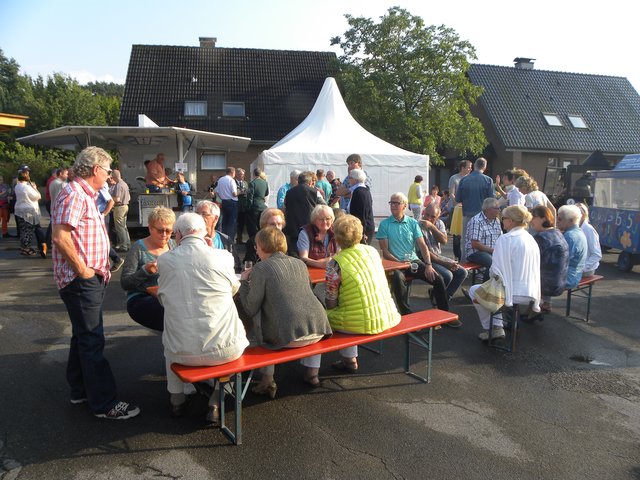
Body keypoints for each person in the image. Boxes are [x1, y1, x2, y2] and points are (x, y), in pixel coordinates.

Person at [52, 146, 140, 419]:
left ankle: (80, 390)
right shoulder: (74, 193)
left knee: (82, 335)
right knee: (92, 338)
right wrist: (82, 270)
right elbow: (60, 237)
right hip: (81, 280)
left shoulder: (85, 194)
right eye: (107, 170)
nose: (110, 176)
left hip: (89, 277)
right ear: (95, 169)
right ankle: (104, 403)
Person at [158, 213, 248, 421]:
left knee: (171, 336)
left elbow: (163, 299)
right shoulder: (222, 256)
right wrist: (212, 249)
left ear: (178, 235)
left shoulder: (165, 260)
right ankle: (216, 399)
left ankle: (177, 400)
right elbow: (234, 289)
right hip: (225, 350)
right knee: (235, 337)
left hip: (180, 352)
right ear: (205, 232)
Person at [238, 227, 332, 394]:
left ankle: (267, 379)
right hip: (319, 330)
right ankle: (310, 373)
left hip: (291, 337)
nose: (256, 250)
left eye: (257, 246)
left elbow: (250, 308)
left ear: (263, 246)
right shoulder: (299, 263)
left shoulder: (261, 268)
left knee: (261, 314)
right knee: (284, 310)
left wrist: (244, 282)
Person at [326, 214, 401, 372]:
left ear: (337, 237)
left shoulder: (335, 263)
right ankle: (349, 360)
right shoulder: (372, 251)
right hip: (386, 316)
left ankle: (312, 370)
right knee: (351, 308)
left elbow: (331, 302)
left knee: (324, 314)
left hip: (358, 323)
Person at [468, 205, 541, 341]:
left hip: (512, 293)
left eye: (504, 218)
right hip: (531, 293)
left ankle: (494, 328)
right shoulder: (531, 239)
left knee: (474, 291)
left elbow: (495, 270)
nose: (502, 221)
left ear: (511, 221)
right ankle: (498, 327)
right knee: (490, 289)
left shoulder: (506, 239)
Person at [376, 192, 450, 314]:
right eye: (391, 202)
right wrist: (399, 263)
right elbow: (385, 252)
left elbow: (423, 245)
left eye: (396, 203)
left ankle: (444, 314)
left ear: (404, 206)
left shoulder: (412, 223)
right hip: (395, 264)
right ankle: (407, 315)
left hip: (413, 262)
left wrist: (428, 265)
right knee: (398, 278)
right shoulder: (384, 224)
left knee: (438, 279)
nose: (393, 205)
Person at [121, 206, 176, 332]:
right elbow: (125, 283)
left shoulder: (174, 245)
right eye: (160, 230)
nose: (164, 235)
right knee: (173, 312)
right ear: (150, 228)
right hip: (142, 298)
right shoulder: (138, 248)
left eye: (169, 231)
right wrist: (145, 271)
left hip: (168, 295)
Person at [419, 203, 468, 306]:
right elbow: (425, 251)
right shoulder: (417, 225)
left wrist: (432, 227)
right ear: (423, 212)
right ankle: (440, 300)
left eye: (433, 217)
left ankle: (443, 297)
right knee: (447, 275)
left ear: (437, 217)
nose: (428, 218)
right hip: (424, 258)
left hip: (437, 256)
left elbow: (444, 241)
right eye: (427, 214)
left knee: (462, 272)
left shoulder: (439, 223)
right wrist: (445, 263)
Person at [530, 205, 569, 315]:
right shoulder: (557, 232)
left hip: (548, 285)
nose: (531, 221)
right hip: (560, 281)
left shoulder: (541, 237)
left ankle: (516, 313)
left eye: (533, 217)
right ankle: (540, 305)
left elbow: (530, 261)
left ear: (543, 218)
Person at [457, 157, 495, 261]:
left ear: (474, 166)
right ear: (485, 167)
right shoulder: (488, 180)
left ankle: (464, 262)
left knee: (466, 240)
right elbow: (491, 200)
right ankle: (481, 263)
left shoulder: (464, 179)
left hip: (467, 214)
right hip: (482, 216)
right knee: (482, 241)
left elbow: (458, 198)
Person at [284, 171, 325, 254]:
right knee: (308, 252)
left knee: (294, 253)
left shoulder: (289, 192)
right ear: (310, 182)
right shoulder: (314, 192)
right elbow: (324, 206)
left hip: (293, 228)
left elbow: (285, 207)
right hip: (309, 227)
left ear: (298, 181)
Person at [463, 197, 503, 283]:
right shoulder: (477, 221)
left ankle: (499, 287)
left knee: (506, 260)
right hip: (475, 252)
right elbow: (475, 244)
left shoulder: (496, 221)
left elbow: (500, 238)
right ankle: (484, 289)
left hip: (491, 252)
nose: (499, 210)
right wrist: (494, 251)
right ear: (488, 210)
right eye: (497, 208)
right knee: (493, 263)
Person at [14, 165, 47, 258]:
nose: (28, 174)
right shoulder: (27, 187)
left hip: (19, 210)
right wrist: (34, 187)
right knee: (28, 230)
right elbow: (38, 196)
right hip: (28, 211)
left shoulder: (17, 186)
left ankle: (24, 247)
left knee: (23, 230)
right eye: (26, 173)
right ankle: (26, 248)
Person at [297, 204, 338, 268]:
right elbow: (303, 258)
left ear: (332, 220)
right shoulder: (305, 233)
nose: (325, 222)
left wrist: (326, 260)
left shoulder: (336, 232)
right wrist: (318, 264)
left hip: (332, 271)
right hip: (311, 270)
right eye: (321, 219)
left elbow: (340, 254)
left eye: (328, 219)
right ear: (314, 220)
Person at [557, 204, 588, 289]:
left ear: (571, 220)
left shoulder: (570, 236)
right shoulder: (579, 232)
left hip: (568, 278)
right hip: (575, 275)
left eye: (560, 219)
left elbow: (562, 260)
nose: (557, 221)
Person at [95, 182, 123, 273]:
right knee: (98, 240)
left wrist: (103, 215)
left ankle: (116, 259)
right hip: (97, 214)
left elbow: (111, 201)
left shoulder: (100, 186)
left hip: (100, 214)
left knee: (100, 240)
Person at [448, 160, 472, 260]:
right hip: (456, 209)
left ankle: (466, 255)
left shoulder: (470, 179)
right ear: (462, 168)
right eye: (469, 167)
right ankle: (457, 256)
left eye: (471, 167)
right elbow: (451, 193)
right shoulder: (454, 178)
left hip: (467, 209)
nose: (470, 169)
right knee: (457, 234)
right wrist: (458, 202)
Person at [347, 168, 375, 244]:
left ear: (355, 180)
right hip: (360, 227)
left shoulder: (360, 192)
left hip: (362, 229)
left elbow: (362, 214)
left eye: (350, 178)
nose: (348, 180)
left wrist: (362, 232)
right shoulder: (361, 190)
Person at [576, 202, 602, 277]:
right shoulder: (576, 228)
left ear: (583, 215)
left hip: (586, 270)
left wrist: (584, 268)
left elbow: (597, 254)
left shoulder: (588, 229)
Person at [216, 167, 239, 241]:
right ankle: (230, 241)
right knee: (232, 222)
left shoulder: (220, 180)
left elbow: (217, 192)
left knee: (224, 222)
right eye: (234, 173)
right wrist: (241, 192)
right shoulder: (231, 180)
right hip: (232, 202)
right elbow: (234, 194)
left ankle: (224, 239)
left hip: (224, 202)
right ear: (232, 172)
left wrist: (223, 197)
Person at [110, 169, 131, 252]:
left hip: (119, 207)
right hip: (125, 206)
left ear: (114, 177)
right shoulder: (125, 184)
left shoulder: (118, 185)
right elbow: (129, 197)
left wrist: (109, 198)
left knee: (119, 228)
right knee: (124, 227)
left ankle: (123, 245)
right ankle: (127, 243)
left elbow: (117, 199)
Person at [246, 167, 270, 238]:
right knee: (261, 225)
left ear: (253, 174)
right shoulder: (265, 183)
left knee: (252, 226)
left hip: (254, 207)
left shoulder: (252, 183)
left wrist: (248, 207)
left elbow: (250, 197)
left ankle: (253, 240)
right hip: (263, 206)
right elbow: (266, 193)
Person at [235, 168, 249, 243]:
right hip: (236, 205)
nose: (242, 176)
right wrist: (241, 192)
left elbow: (247, 191)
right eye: (241, 174)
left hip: (243, 206)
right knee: (235, 223)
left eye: (243, 175)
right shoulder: (233, 182)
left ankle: (239, 239)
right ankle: (235, 238)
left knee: (242, 223)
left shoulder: (245, 183)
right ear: (236, 174)